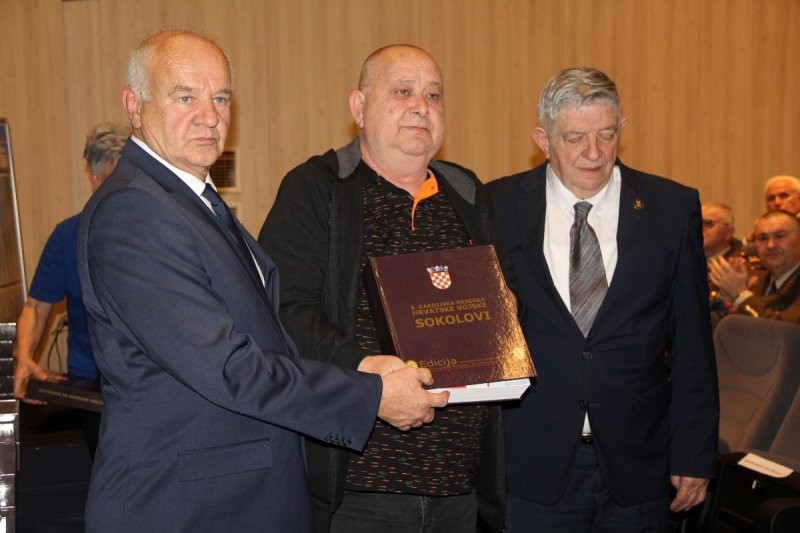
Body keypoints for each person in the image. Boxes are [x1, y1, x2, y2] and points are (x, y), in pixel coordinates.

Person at [77, 30, 446, 532]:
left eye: (221, 98)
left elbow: (265, 336)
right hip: (183, 505)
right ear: (133, 105)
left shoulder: (189, 199)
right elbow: (229, 366)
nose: (210, 116)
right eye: (185, 97)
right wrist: (369, 394)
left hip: (234, 495)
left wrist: (362, 364)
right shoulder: (135, 212)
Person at [259, 44, 506, 533]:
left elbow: (509, 295)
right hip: (358, 490)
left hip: (459, 488)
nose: (421, 107)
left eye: (433, 95)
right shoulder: (318, 188)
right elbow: (284, 308)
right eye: (402, 92)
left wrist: (505, 312)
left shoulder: (468, 192)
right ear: (359, 107)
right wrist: (365, 372)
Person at [487, 66, 719, 531]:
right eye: (574, 138)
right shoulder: (497, 205)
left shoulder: (671, 208)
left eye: (607, 135)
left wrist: (694, 452)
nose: (594, 153)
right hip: (531, 463)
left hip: (638, 465)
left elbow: (693, 341)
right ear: (543, 139)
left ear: (621, 129)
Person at [14, 122, 128, 457]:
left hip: (149, 382)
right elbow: (36, 308)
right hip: (93, 388)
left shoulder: (156, 231)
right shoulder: (68, 237)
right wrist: (24, 356)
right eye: (115, 179)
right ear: (95, 179)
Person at [709, 210, 800, 323]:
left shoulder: (741, 287)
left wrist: (740, 294)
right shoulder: (754, 278)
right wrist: (726, 299)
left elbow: (783, 329)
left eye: (780, 236)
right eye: (762, 238)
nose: (770, 245)